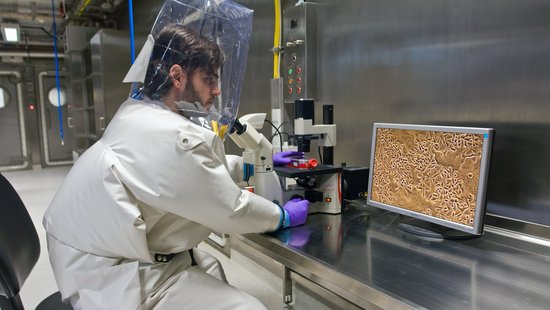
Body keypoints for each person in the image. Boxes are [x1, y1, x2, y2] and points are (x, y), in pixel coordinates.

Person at [43, 1, 308, 309]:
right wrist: (282, 216)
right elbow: (230, 209)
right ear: (177, 75)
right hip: (115, 276)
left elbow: (186, 175)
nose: (217, 90)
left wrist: (251, 166)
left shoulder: (141, 115)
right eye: (209, 79)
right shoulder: (169, 136)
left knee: (211, 267)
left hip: (98, 252)